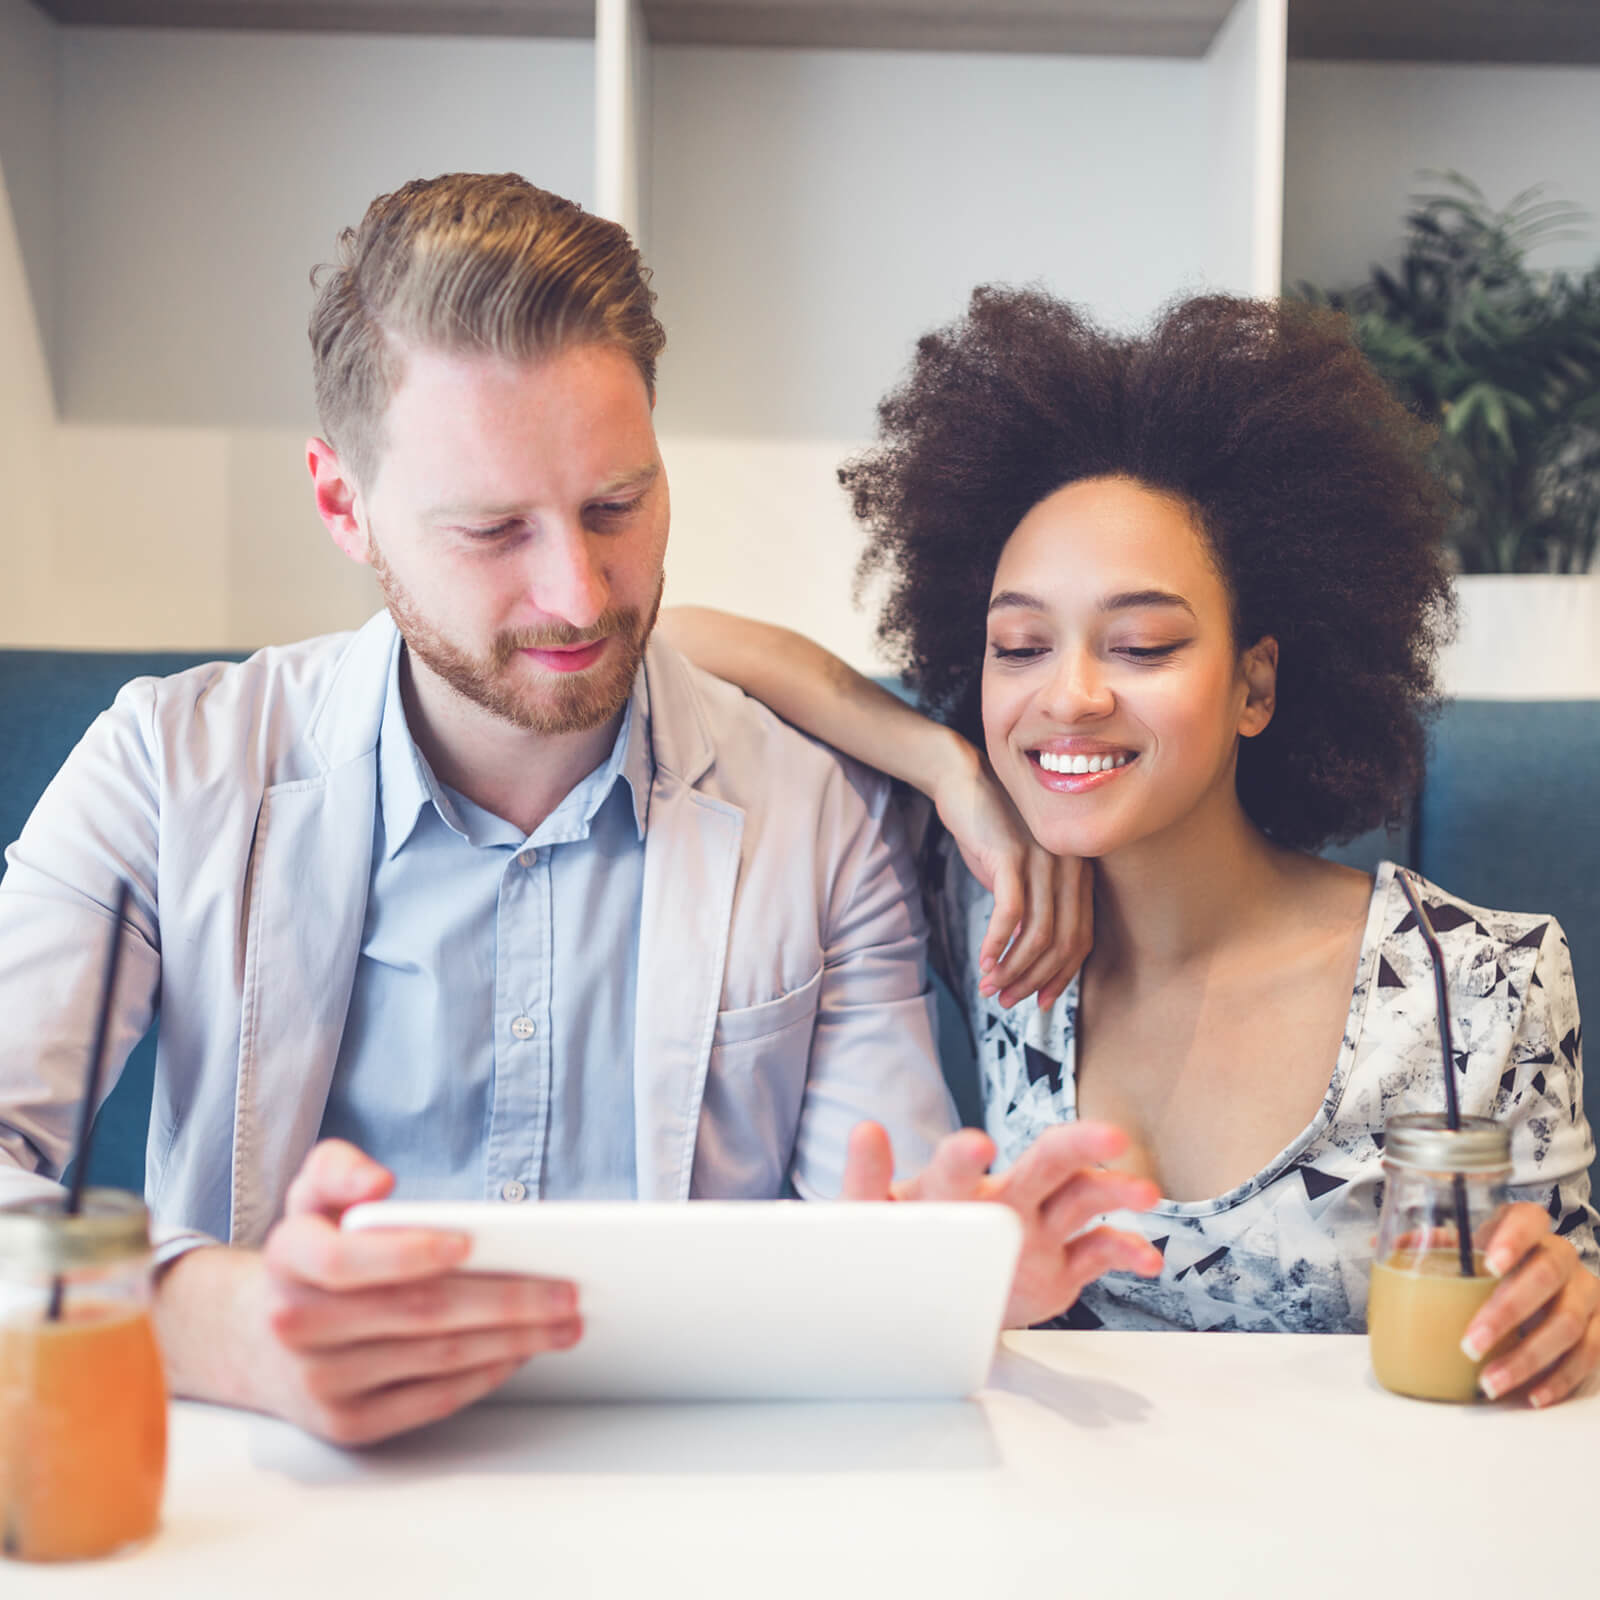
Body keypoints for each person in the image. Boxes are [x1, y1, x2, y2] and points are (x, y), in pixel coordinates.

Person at [0, 178, 1159, 1446]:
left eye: (619, 505)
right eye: (493, 530)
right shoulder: (166, 774)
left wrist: (938, 1279)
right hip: (276, 1508)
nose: (580, 595)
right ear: (344, 504)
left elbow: (876, 1241)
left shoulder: (819, 817)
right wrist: (220, 1321)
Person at [662, 289, 1600, 1406]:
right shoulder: (989, 914)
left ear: (1254, 683)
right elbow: (662, 642)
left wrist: (1572, 1314)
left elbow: (1556, 1343)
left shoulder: (1480, 985)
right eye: (1020, 644)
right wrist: (948, 766)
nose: (1069, 694)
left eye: (1142, 643)